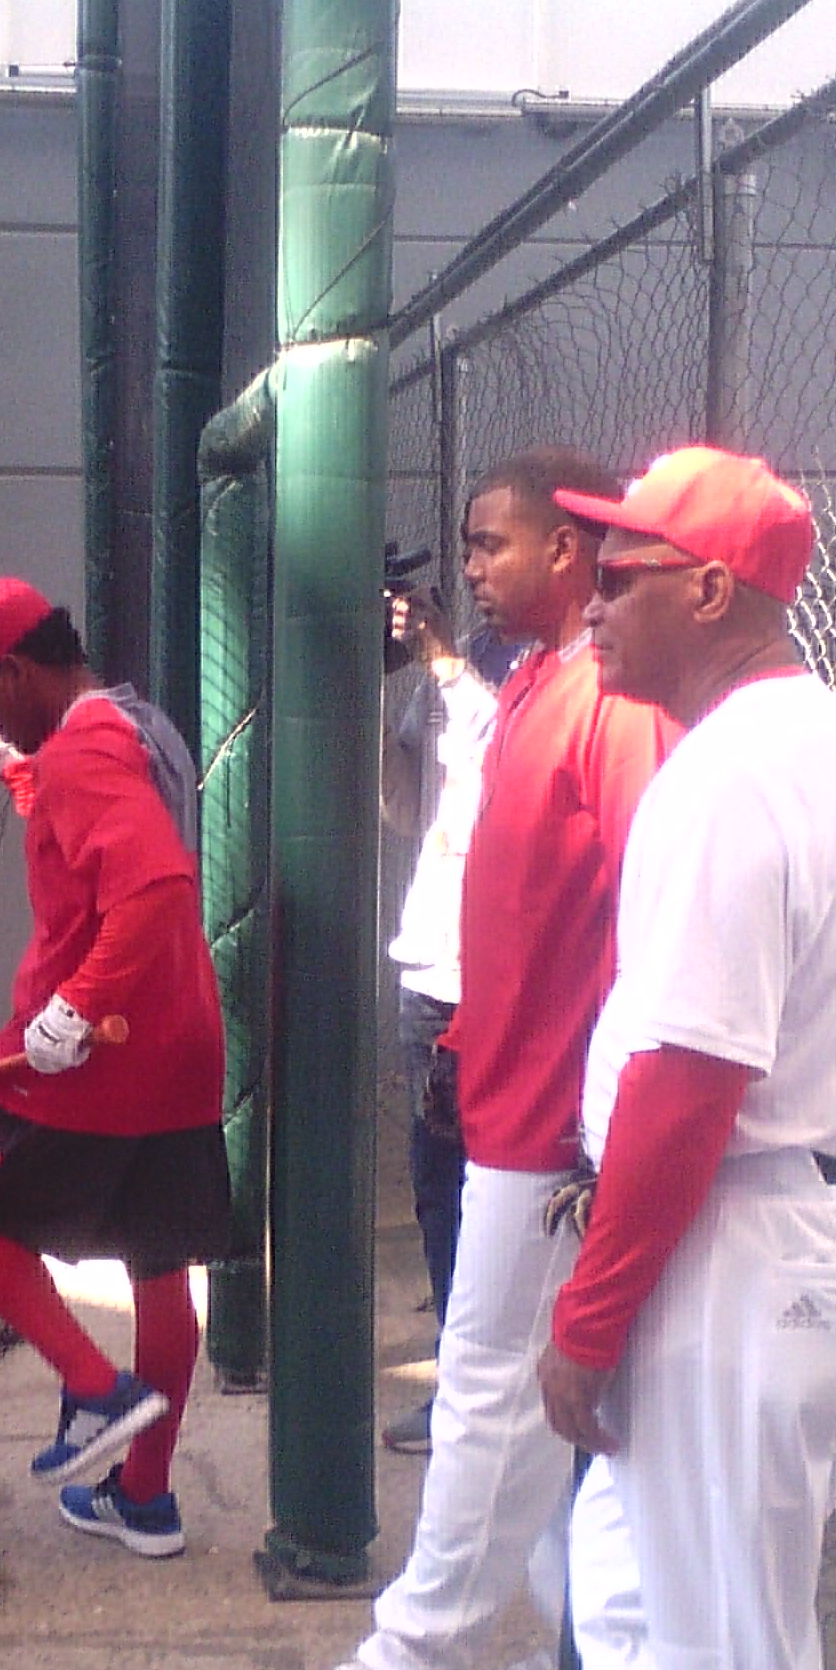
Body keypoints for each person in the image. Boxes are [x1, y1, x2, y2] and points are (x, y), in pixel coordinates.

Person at [540, 447, 836, 1670]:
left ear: (712, 589)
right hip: (828, 1220)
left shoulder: (726, 776)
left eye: (621, 573)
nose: (591, 598)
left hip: (752, 1243)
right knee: (632, 1596)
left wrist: (589, 1317)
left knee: (727, 1663)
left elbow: (686, 1089)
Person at [268, 449, 675, 1670]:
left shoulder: (614, 696)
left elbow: (668, 920)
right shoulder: (537, 683)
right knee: (555, 1396)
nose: (476, 567)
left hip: (563, 1124)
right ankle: (594, 1651)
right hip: (512, 1086)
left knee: (491, 1384)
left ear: (571, 551)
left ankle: (419, 1655)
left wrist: (611, 1126)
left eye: (495, 543)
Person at [0, 578, 232, 1559]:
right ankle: (145, 1499)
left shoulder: (82, 749)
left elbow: (153, 883)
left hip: (97, 1051)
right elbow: (107, 837)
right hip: (179, 1047)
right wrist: (21, 776)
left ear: (17, 669)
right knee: (159, 1266)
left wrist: (73, 1005)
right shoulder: (133, 726)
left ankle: (95, 1391)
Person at [378, 571, 521, 1456]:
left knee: (505, 1195)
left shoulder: (564, 667)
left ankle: (505, 1393)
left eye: (494, 546)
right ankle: (462, 1385)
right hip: (434, 968)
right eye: (467, 547)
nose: (476, 570)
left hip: (510, 980)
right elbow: (408, 809)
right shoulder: (463, 664)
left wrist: (442, 663)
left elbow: (509, 769)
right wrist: (370, 684)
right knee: (441, 1193)